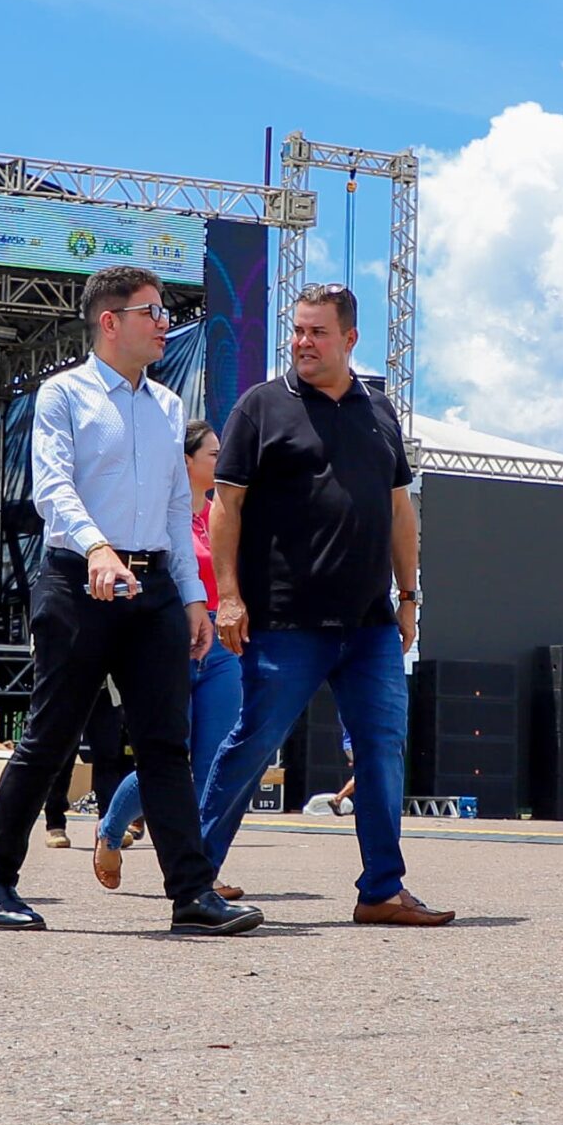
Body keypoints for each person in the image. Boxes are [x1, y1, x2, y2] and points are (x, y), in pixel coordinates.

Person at [0, 266, 261, 937]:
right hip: (79, 580)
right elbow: (52, 488)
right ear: (109, 321)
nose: (164, 324)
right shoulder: (62, 394)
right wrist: (97, 547)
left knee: (165, 744)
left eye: (165, 312)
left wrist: (193, 597)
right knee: (50, 736)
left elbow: (178, 506)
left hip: (154, 588)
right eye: (151, 312)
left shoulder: (167, 406)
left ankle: (191, 892)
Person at [196, 283, 454, 927]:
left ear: (350, 338)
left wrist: (409, 597)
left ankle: (381, 890)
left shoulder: (379, 410)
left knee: (382, 749)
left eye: (317, 332)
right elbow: (226, 506)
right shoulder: (261, 406)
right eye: (298, 330)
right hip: (285, 619)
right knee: (252, 744)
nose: (303, 343)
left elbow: (400, 512)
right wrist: (229, 598)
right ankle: (193, 881)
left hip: (369, 623)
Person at [93, 419, 247, 900]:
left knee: (214, 761)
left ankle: (200, 870)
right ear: (186, 462)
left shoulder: (226, 514)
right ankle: (110, 831)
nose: (222, 461)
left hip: (222, 647)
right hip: (169, 640)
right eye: (213, 454)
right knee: (168, 758)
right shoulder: (160, 519)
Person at [39, 687, 128, 851]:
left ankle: (109, 826)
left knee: (108, 757)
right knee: (63, 757)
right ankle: (55, 824)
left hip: (106, 688)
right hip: (70, 684)